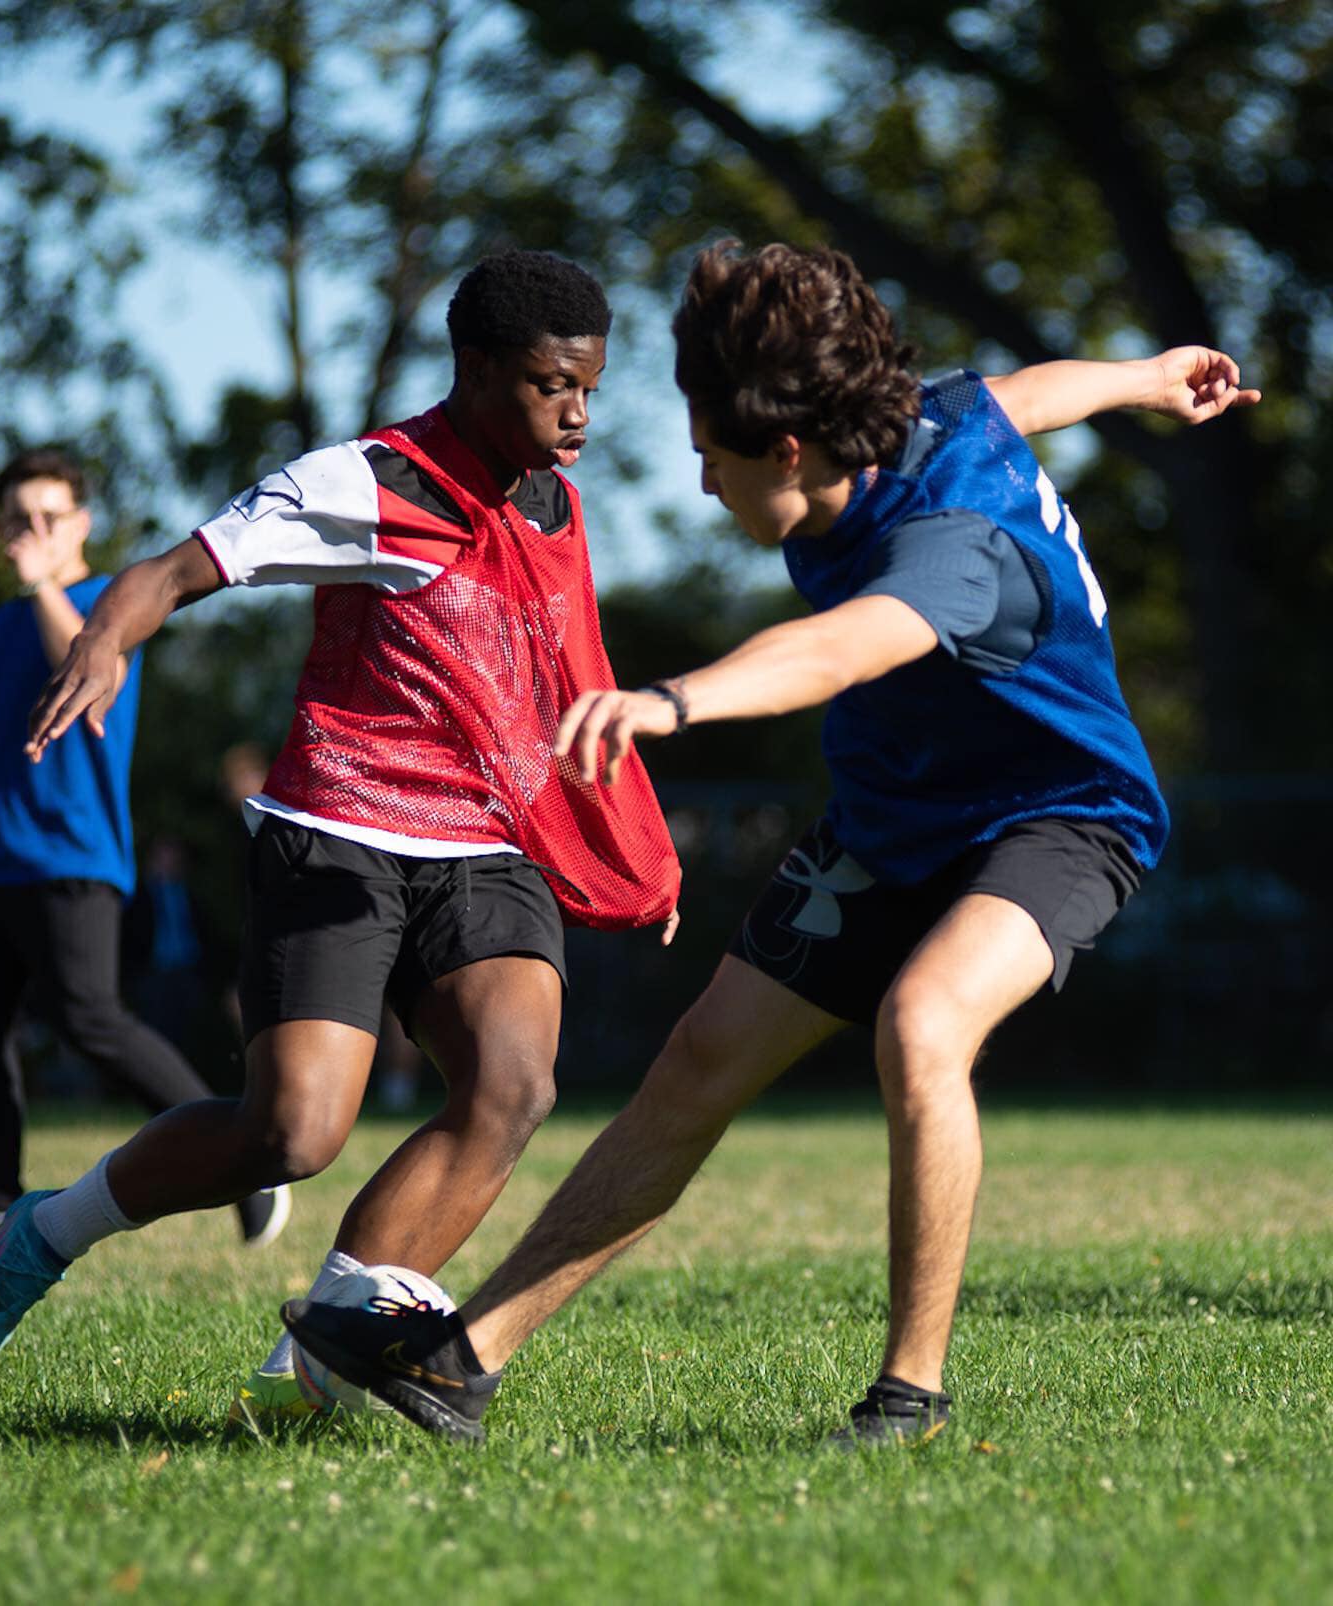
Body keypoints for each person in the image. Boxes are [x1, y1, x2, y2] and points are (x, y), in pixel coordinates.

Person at [281, 240, 1261, 1449]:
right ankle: (461, 1365)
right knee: (699, 1060)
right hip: (892, 818)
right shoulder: (907, 418)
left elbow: (841, 648)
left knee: (924, 1022)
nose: (702, 486)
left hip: (1059, 817)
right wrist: (1147, 375)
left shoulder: (954, 547)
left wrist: (673, 700)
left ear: (787, 453)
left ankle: (910, 1395)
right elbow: (1019, 394)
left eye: (712, 458)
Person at [0, 253, 681, 1418]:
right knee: (289, 1131)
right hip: (336, 835)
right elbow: (175, 567)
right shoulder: (367, 482)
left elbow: (566, 678)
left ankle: (316, 1364)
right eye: (551, 386)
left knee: (511, 1085)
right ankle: (51, 1226)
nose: (578, 412)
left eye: (590, 385)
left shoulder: (555, 497)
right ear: (477, 371)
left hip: (485, 843)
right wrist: (104, 641)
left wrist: (625, 841)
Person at [0, 449, 288, 1253]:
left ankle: (242, 1159)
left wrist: (44, 580)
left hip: (71, 860)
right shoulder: (7, 621)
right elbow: (20, 729)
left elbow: (80, 674)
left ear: (78, 525)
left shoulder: (107, 608)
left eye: (48, 518)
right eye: (18, 519)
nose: (30, 533)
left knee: (93, 1021)